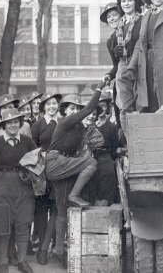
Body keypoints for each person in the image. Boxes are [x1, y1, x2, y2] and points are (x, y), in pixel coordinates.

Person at [44, 81, 106, 268]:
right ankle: (74, 194)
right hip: (55, 163)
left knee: (62, 212)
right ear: (64, 111)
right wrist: (100, 87)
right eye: (71, 108)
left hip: (65, 165)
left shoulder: (80, 128)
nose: (74, 111)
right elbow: (89, 109)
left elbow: (93, 141)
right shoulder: (66, 122)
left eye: (76, 108)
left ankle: (58, 251)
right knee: (91, 163)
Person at [0, 109, 37, 273]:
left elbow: (38, 163)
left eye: (16, 122)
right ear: (4, 125)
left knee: (23, 224)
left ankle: (21, 261)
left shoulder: (27, 141)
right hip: (2, 187)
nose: (13, 125)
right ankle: (3, 263)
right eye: (9, 122)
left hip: (24, 186)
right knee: (3, 225)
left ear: (20, 124)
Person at [106, 0, 143, 139]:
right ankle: (131, 143)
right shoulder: (115, 33)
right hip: (123, 71)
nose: (126, 3)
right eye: (123, 1)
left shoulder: (142, 20)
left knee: (142, 106)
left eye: (130, 0)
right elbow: (116, 65)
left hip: (140, 67)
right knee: (125, 108)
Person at [30, 92, 61, 265]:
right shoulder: (37, 125)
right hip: (42, 174)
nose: (51, 106)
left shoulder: (62, 123)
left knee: (57, 210)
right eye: (48, 104)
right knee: (41, 212)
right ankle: (42, 249)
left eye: (54, 103)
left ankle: (53, 247)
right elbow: (32, 151)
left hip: (59, 173)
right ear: (43, 107)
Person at [91, 91, 119, 206]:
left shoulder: (112, 127)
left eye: (103, 105)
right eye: (98, 106)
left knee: (106, 191)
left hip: (105, 161)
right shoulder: (90, 124)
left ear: (107, 107)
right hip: (90, 160)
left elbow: (114, 148)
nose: (101, 108)